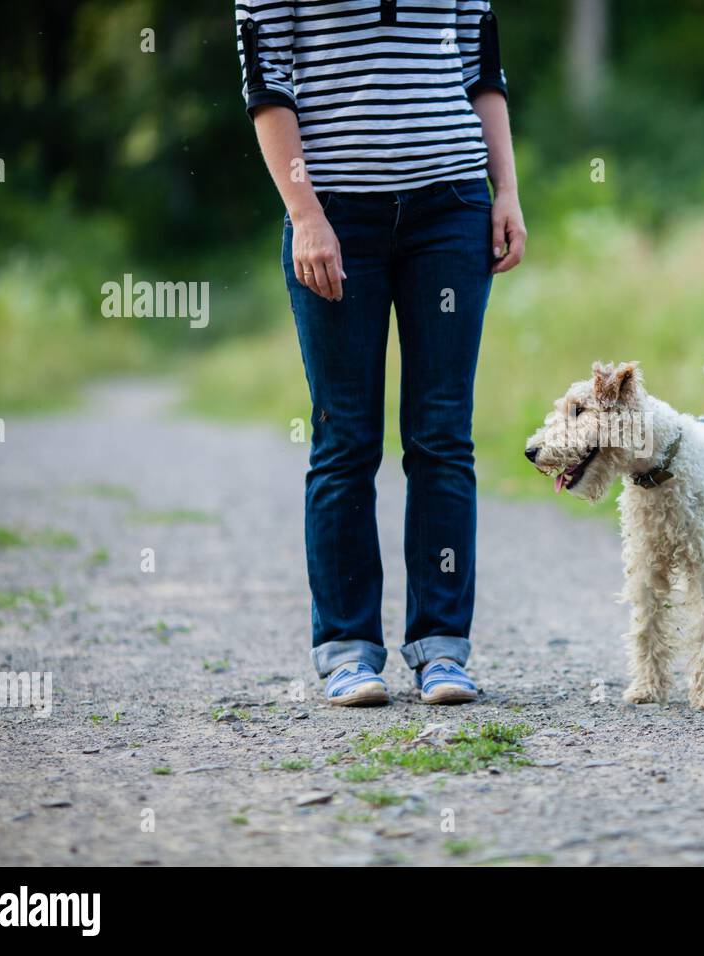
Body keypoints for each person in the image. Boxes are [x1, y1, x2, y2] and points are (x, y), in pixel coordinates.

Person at [235, 0, 525, 705]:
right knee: (345, 436)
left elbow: (480, 68)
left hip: (451, 208)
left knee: (442, 433)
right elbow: (265, 82)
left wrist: (506, 189)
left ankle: (442, 649)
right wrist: (306, 215)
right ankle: (347, 649)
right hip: (337, 213)